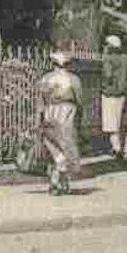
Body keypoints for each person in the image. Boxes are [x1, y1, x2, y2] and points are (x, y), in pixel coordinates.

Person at [38, 51, 83, 196]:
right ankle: (57, 182)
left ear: (53, 64)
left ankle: (61, 183)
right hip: (67, 113)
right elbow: (80, 100)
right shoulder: (74, 79)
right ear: (68, 64)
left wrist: (40, 118)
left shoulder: (46, 78)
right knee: (66, 148)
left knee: (54, 149)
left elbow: (40, 101)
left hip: (50, 113)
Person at [100, 36, 127, 162]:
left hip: (110, 93)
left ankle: (116, 148)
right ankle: (118, 147)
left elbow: (107, 75)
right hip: (122, 93)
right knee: (118, 121)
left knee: (110, 123)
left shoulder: (108, 59)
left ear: (110, 46)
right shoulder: (126, 59)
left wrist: (104, 85)